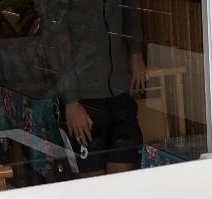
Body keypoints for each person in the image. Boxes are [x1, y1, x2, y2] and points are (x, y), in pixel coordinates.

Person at [42, 0, 147, 175]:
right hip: (83, 97)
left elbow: (130, 9)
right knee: (92, 180)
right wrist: (71, 102)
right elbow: (55, 41)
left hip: (119, 90)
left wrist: (136, 53)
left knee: (125, 172)